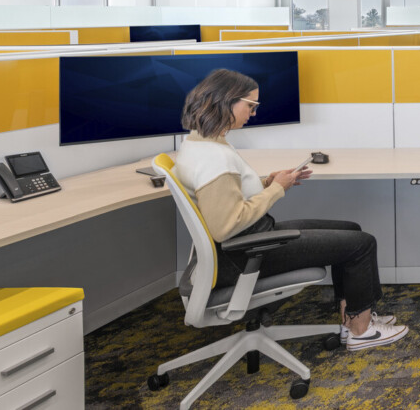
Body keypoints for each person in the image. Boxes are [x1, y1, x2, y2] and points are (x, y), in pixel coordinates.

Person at [174, 68, 406, 351]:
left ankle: (353, 318)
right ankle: (362, 331)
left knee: (351, 231)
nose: (254, 113)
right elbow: (225, 225)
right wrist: (276, 189)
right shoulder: (214, 158)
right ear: (227, 101)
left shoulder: (199, 144)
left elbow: (224, 195)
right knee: (362, 244)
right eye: (251, 106)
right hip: (244, 253)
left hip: (244, 244)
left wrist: (266, 182)